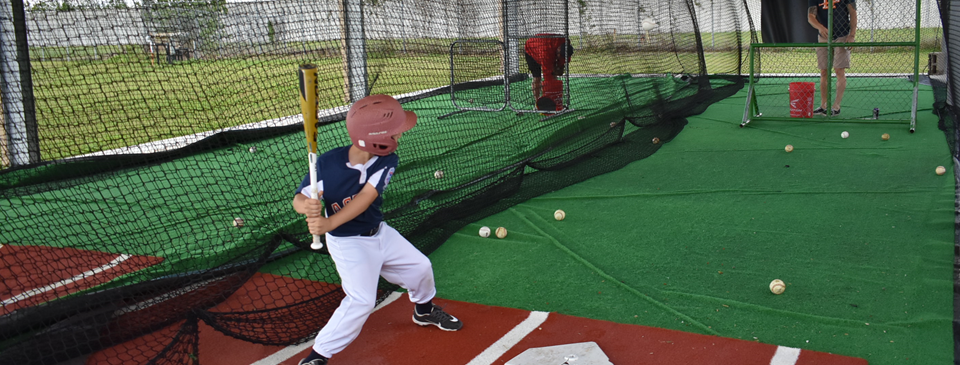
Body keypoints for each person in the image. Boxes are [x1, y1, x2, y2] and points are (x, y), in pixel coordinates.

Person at [292, 94, 462, 365]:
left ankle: (424, 310)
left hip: (379, 232)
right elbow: (299, 198)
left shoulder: (387, 160)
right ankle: (317, 356)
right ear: (373, 137)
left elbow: (365, 198)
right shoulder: (327, 164)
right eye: (394, 132)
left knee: (420, 267)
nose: (399, 137)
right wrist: (306, 207)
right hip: (348, 243)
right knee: (361, 300)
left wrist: (328, 222)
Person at [807, 0, 857, 116]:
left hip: (842, 35)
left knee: (839, 70)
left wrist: (852, 35)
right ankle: (823, 105)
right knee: (824, 71)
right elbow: (810, 16)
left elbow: (853, 13)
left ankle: (836, 106)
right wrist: (820, 27)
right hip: (824, 37)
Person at [524, 34, 574, 111]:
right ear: (558, 50)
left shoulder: (565, 44)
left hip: (547, 48)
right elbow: (547, 77)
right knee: (537, 78)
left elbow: (563, 61)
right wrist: (547, 98)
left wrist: (560, 66)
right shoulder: (546, 53)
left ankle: (554, 101)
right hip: (532, 50)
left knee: (553, 75)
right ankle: (538, 103)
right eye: (559, 55)